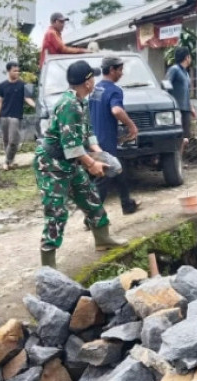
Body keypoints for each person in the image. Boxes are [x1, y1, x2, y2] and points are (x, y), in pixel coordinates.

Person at [33, 60, 127, 269]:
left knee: (90, 197)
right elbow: (72, 146)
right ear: (87, 82)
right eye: (92, 77)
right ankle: (48, 266)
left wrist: (98, 154)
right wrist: (92, 164)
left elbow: (88, 132)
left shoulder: (82, 101)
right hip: (52, 164)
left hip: (70, 161)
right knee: (56, 211)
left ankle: (103, 239)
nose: (94, 80)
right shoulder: (69, 105)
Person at [89, 56, 141, 215]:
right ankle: (92, 216)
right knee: (103, 179)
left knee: (119, 169)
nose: (121, 73)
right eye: (120, 70)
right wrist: (132, 126)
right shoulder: (114, 90)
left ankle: (127, 204)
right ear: (112, 70)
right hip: (105, 141)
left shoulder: (95, 89)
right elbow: (116, 110)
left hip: (94, 139)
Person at [0, 61, 36, 170]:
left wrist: (36, 106)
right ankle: (10, 161)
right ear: (9, 71)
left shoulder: (23, 85)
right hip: (4, 116)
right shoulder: (1, 86)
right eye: (15, 71)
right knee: (6, 141)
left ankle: (6, 162)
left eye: (18, 71)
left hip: (15, 117)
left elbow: (28, 99)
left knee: (13, 141)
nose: (17, 72)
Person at [165, 46, 193, 157]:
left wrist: (191, 106)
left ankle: (179, 160)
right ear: (187, 57)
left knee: (184, 136)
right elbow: (166, 85)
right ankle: (173, 160)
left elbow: (186, 91)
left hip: (186, 108)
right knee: (176, 135)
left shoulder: (185, 73)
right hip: (176, 108)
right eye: (189, 56)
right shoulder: (174, 69)